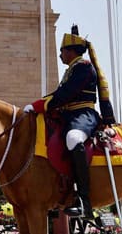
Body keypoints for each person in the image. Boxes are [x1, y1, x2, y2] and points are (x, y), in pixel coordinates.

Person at [23, 25, 115, 220]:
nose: (60, 55)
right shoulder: (72, 69)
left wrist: (39, 105)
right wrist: (38, 105)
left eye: (62, 51)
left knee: (74, 139)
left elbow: (65, 94)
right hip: (68, 116)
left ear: (71, 51)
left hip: (84, 115)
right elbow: (59, 95)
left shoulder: (83, 67)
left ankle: (84, 201)